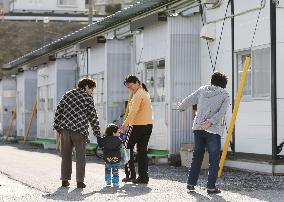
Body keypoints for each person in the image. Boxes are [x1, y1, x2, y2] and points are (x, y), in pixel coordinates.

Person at [177, 71, 230, 194]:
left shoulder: (202, 90)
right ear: (224, 84)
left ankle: (190, 184)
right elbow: (222, 112)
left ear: (212, 81)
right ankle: (211, 187)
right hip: (213, 129)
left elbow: (188, 100)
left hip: (198, 127)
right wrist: (211, 122)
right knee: (214, 158)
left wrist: (181, 107)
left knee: (197, 156)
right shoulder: (225, 95)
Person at [54, 78, 101, 188]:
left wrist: (57, 126)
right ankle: (80, 181)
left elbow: (59, 110)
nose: (92, 91)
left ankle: (64, 180)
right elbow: (92, 116)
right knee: (80, 156)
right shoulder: (87, 97)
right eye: (91, 89)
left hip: (65, 129)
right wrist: (97, 133)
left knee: (65, 155)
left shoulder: (68, 94)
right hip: (80, 130)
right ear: (86, 87)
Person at [120, 75, 153, 184]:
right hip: (148, 125)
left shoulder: (138, 95)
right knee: (142, 151)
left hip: (137, 125)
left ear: (138, 82)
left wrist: (125, 125)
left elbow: (133, 112)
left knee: (126, 148)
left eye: (131, 86)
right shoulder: (144, 92)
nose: (130, 88)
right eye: (128, 87)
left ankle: (130, 175)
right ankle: (143, 177)